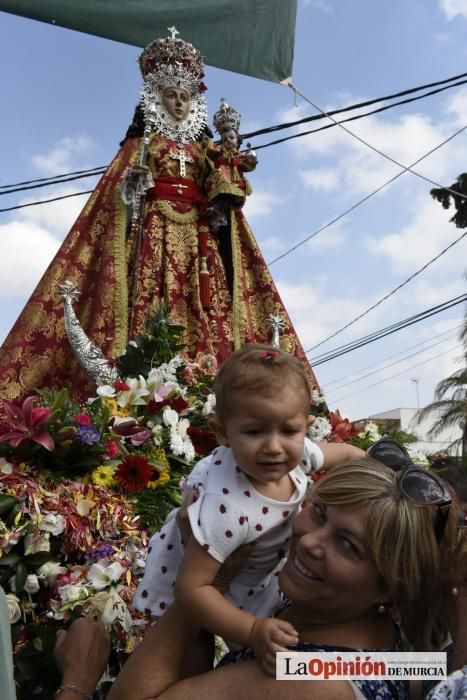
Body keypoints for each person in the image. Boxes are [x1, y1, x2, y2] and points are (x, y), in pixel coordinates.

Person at [0, 29, 317, 403]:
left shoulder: (205, 150)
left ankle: (204, 381)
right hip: (154, 233)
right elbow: (116, 201)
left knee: (206, 306)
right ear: (155, 98)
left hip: (200, 243)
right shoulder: (140, 145)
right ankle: (145, 384)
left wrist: (222, 193)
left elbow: (222, 194)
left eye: (185, 96)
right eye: (171, 95)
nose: (179, 103)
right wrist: (133, 188)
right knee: (149, 302)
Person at [108, 454, 467, 700]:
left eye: (348, 545)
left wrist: (204, 572)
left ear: (388, 589)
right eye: (320, 513)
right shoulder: (368, 634)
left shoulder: (307, 678)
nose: (309, 541)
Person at [133, 344, 365, 665]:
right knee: (192, 650)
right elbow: (193, 589)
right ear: (222, 432)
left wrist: (384, 470)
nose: (274, 447)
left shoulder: (295, 453)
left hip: (259, 572)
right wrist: (252, 631)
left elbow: (350, 456)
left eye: (289, 430)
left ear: (304, 428)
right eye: (254, 431)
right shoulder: (226, 507)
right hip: (208, 582)